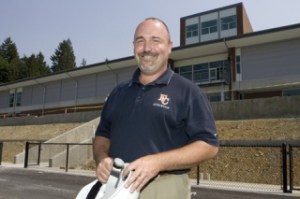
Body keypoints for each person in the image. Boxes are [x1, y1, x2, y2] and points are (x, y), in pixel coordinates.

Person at [93, 17, 219, 199]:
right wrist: (102, 158)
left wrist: (158, 162)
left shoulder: (189, 92)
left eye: (155, 40)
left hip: (164, 189)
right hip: (115, 186)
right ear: (133, 47)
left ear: (169, 46)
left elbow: (209, 145)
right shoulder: (117, 93)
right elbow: (102, 136)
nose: (147, 48)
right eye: (140, 41)